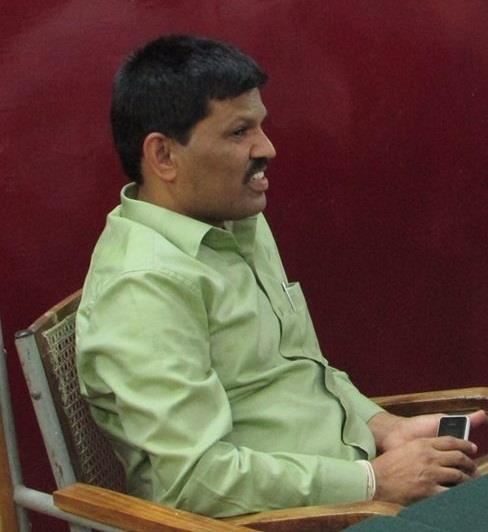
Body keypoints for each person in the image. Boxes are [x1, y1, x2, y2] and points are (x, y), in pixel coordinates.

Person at [76, 34, 486, 518]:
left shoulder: (234, 221)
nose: (266, 147)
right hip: (302, 520)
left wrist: (383, 427)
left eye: (260, 126)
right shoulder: (143, 287)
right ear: (164, 156)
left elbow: (298, 372)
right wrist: (373, 482)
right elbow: (191, 482)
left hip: (352, 489)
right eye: (239, 132)